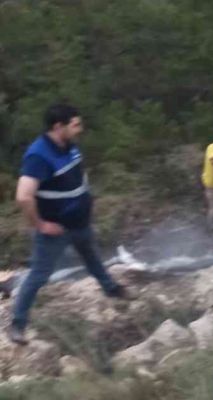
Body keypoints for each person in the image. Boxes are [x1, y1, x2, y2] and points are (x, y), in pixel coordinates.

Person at [6, 104, 133, 345]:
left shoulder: (69, 145)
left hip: (79, 222)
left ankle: (111, 289)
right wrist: (41, 225)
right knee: (39, 276)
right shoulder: (38, 155)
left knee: (92, 257)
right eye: (76, 125)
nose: (80, 129)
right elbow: (23, 196)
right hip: (56, 229)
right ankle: (17, 325)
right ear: (58, 126)